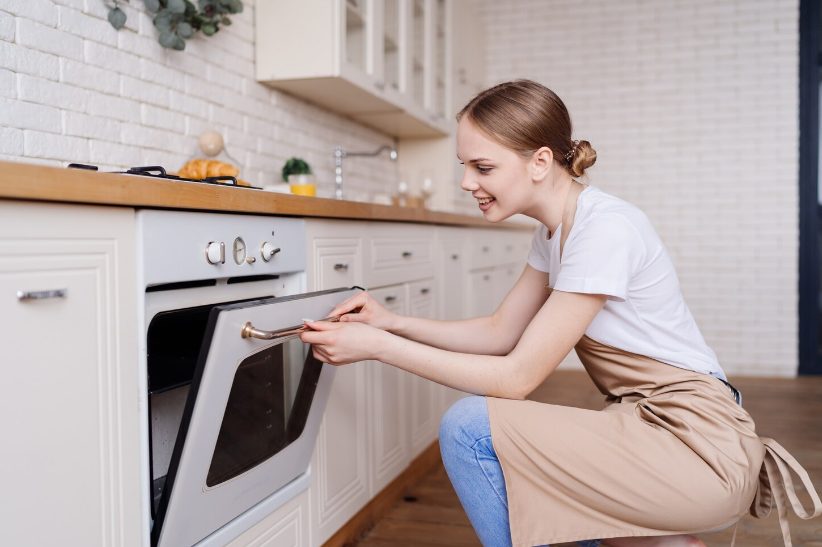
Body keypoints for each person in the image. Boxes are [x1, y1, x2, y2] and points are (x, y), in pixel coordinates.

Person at [299, 79, 820, 547]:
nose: (466, 183)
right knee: (557, 487)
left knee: (470, 428)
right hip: (653, 427)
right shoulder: (555, 232)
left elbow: (517, 377)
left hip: (696, 445)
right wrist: (390, 322)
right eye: (465, 167)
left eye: (483, 167)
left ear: (541, 161)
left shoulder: (604, 229)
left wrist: (378, 348)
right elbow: (500, 332)